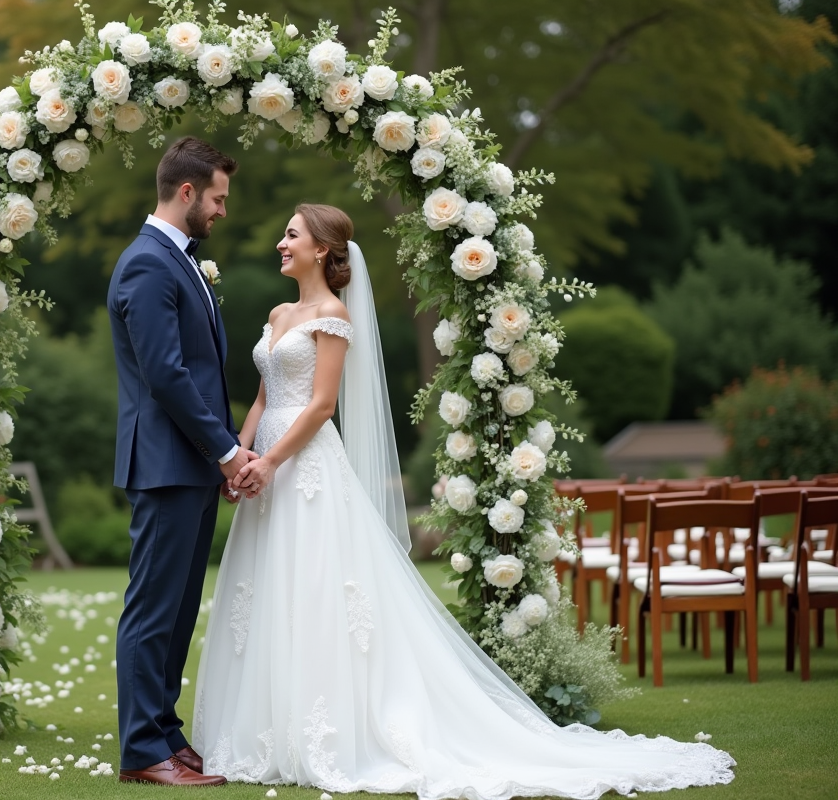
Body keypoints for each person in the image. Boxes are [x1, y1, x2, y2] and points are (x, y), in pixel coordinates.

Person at [193, 204, 736, 799]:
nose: (280, 243)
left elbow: (322, 405)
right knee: (266, 590)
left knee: (319, 587)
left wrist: (271, 462)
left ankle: (326, 729)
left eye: (291, 235)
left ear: (321, 248)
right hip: (264, 469)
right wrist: (238, 456)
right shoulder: (278, 313)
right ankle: (269, 728)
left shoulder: (332, 314)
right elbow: (265, 397)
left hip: (307, 468)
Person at [107, 136, 257, 787]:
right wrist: (226, 452)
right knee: (153, 609)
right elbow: (166, 376)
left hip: (188, 465)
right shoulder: (147, 264)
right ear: (189, 192)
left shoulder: (182, 261)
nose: (223, 211)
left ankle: (166, 733)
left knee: (178, 609)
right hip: (167, 464)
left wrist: (218, 454)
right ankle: (143, 747)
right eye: (218, 198)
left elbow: (199, 372)